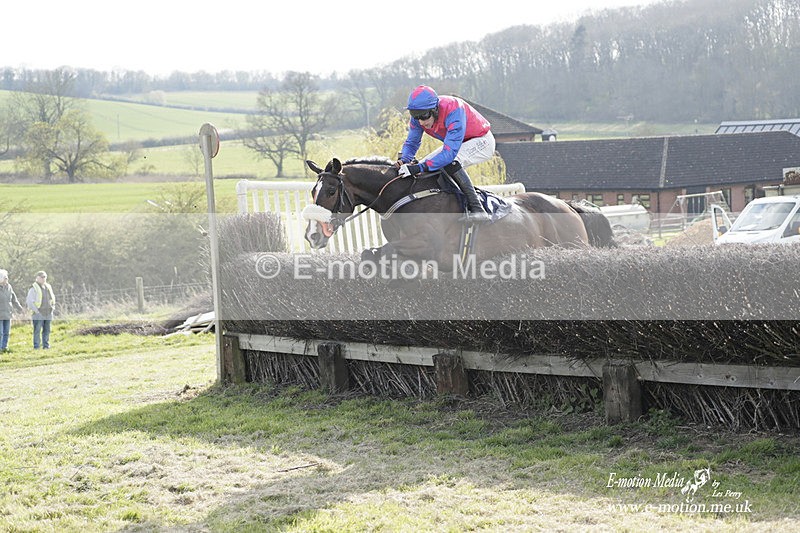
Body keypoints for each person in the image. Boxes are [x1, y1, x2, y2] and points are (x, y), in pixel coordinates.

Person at [396, 85, 496, 223]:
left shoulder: (453, 108)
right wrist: (405, 160)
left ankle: (478, 209)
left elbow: (449, 154)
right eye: (415, 116)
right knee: (423, 170)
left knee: (449, 163)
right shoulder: (419, 116)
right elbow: (412, 143)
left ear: (435, 109)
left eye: (424, 116)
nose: (421, 122)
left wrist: (419, 167)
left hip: (481, 141)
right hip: (458, 144)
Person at [26, 270, 55, 350]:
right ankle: (37, 347)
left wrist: (52, 307)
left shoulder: (48, 287)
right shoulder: (33, 288)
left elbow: (52, 298)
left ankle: (46, 346)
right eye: (42, 277)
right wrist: (36, 311)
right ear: (37, 278)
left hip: (48, 312)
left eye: (45, 277)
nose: (43, 279)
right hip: (38, 313)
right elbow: (29, 301)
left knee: (47, 330)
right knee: (37, 331)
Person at [0, 269, 24, 353]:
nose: (7, 280)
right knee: (0, 333)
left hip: (8, 314)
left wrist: (19, 308)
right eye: (5, 278)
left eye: (7, 278)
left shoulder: (9, 287)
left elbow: (14, 299)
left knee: (7, 332)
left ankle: (4, 348)